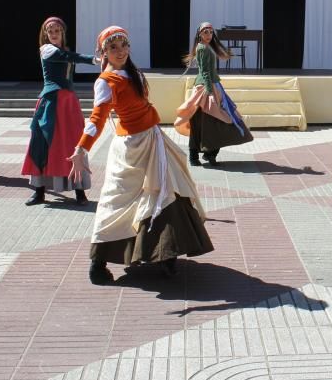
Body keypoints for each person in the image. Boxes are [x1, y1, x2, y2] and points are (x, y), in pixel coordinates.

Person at [69, 26, 213, 285]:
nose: (120, 51)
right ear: (103, 52)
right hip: (130, 148)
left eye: (123, 45)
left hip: (153, 140)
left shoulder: (133, 73)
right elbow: (97, 119)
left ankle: (166, 254)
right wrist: (81, 148)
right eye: (113, 47)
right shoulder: (105, 81)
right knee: (118, 199)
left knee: (168, 191)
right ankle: (98, 261)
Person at [22, 16, 99, 207]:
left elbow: (68, 56)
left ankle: (79, 191)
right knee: (43, 143)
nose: (54, 33)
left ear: (62, 32)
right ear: (46, 34)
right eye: (50, 31)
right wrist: (94, 59)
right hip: (50, 102)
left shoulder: (65, 51)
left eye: (57, 30)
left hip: (68, 104)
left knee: (74, 144)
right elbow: (67, 58)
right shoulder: (47, 50)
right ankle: (39, 192)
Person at [176, 22, 253, 166]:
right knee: (207, 121)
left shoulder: (207, 47)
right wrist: (209, 91)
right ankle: (199, 155)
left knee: (214, 120)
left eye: (210, 32)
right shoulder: (202, 48)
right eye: (205, 32)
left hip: (213, 86)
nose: (208, 35)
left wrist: (213, 89)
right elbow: (204, 71)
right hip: (205, 88)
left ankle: (208, 154)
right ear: (200, 34)